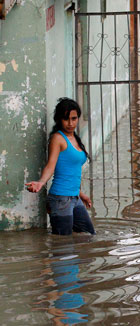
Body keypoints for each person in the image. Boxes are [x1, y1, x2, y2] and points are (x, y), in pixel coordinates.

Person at [26, 98, 95, 236]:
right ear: (59, 119)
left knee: (88, 235)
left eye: (74, 118)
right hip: (60, 199)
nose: (70, 123)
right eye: (66, 119)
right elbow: (50, 166)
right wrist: (41, 182)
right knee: (62, 244)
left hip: (74, 198)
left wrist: (81, 195)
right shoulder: (57, 138)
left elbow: (70, 171)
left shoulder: (75, 138)